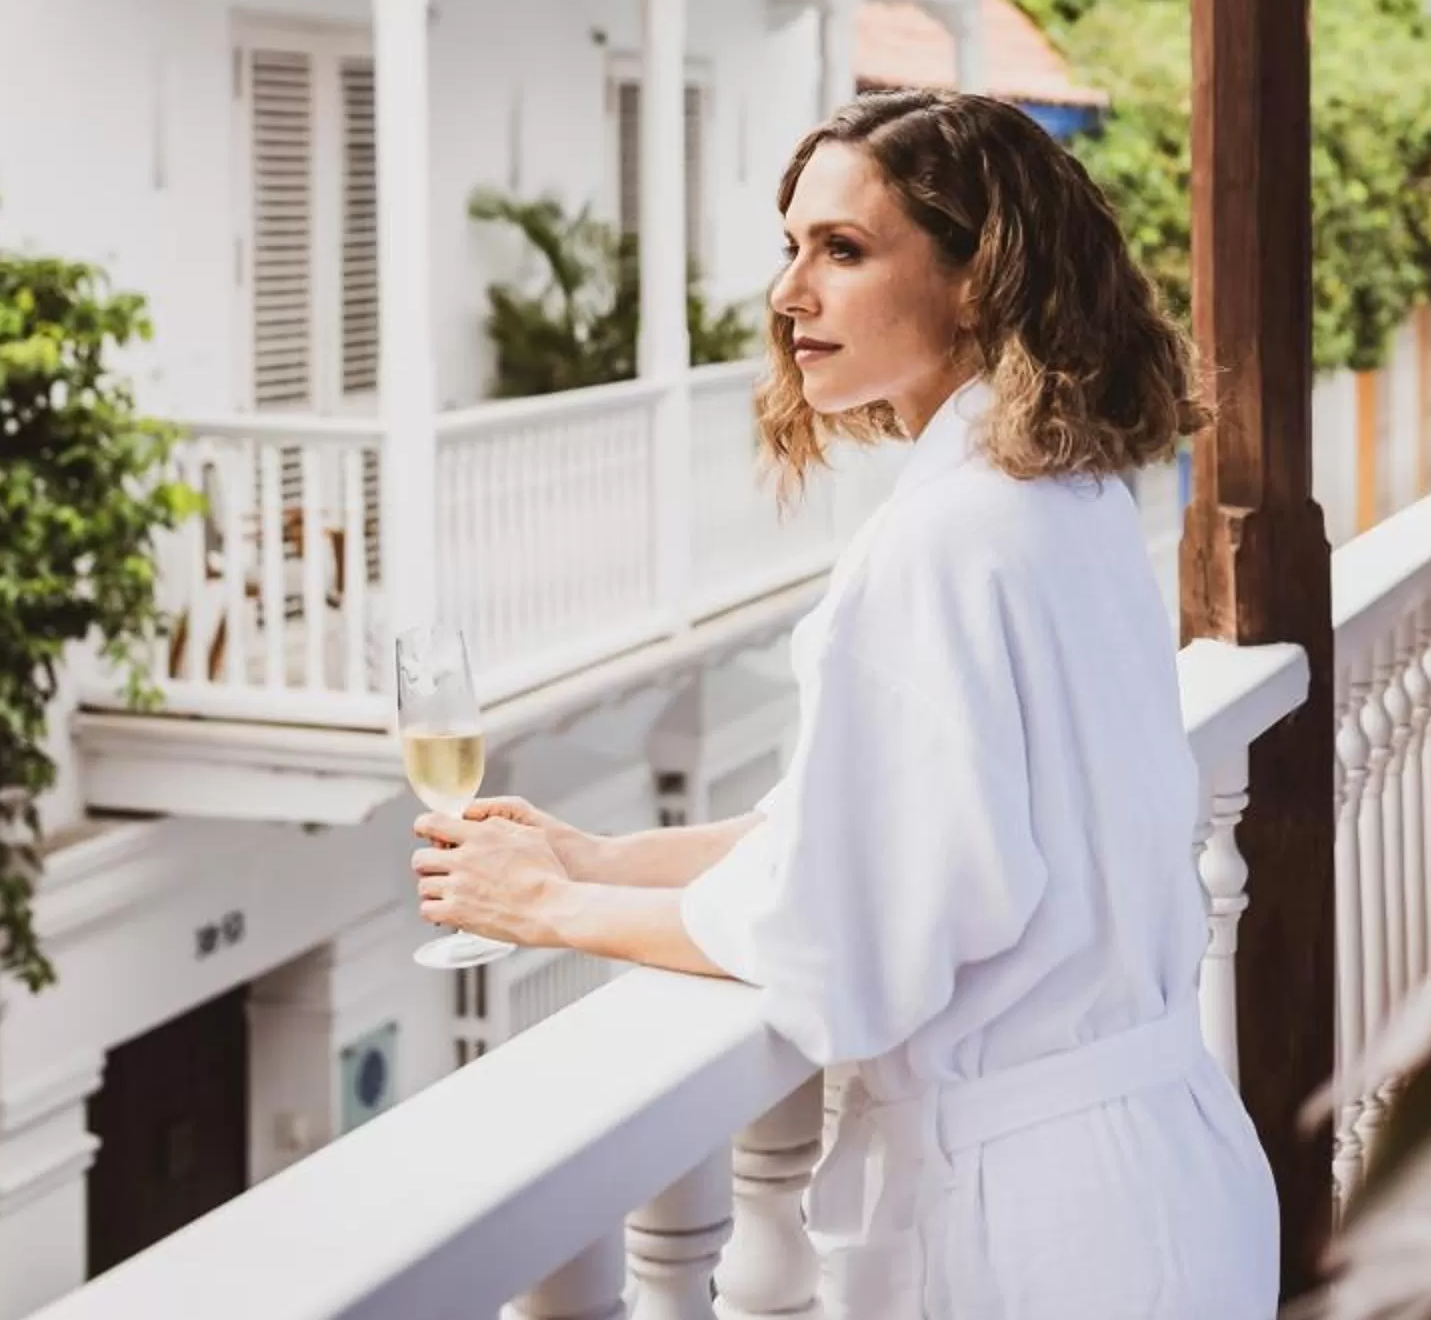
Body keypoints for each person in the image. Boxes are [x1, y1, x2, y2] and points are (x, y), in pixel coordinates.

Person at [410, 89, 1279, 1318]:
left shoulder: (938, 544)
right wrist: (611, 854)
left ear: (980, 278)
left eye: (844, 249)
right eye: (792, 246)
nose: (788, 294)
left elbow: (843, 949)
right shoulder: (1061, 501)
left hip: (1031, 1230)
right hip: (1169, 1163)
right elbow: (869, 823)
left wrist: (556, 904)